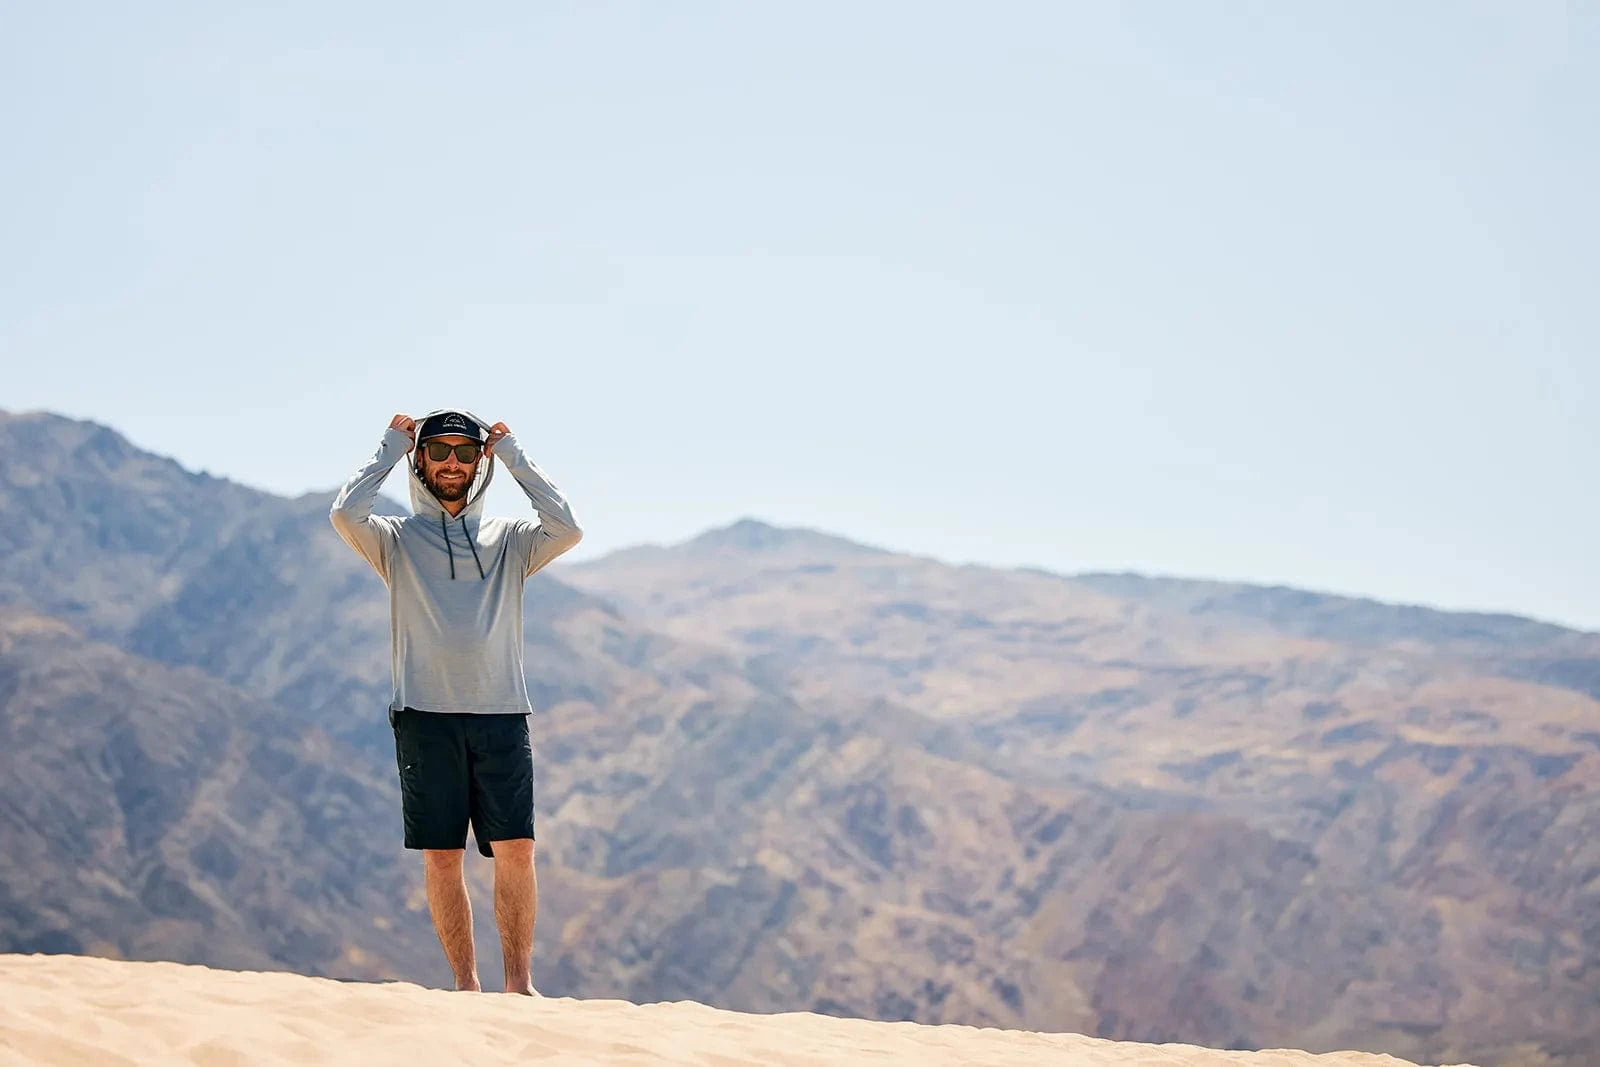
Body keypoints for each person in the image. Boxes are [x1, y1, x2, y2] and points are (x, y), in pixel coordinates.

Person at [329, 408, 582, 994]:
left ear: (478, 464)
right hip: (423, 716)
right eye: (437, 451)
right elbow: (345, 513)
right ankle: (465, 988)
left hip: (501, 714)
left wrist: (513, 454)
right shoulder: (393, 540)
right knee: (442, 855)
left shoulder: (512, 542)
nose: (450, 463)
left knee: (516, 849)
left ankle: (518, 985)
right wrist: (390, 447)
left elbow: (567, 528)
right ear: (421, 461)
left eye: (464, 453)